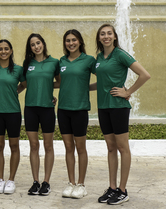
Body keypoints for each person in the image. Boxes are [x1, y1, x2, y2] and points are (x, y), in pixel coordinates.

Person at [94, 24, 151, 205]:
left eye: (109, 33)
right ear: (99, 38)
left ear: (115, 37)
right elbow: (101, 82)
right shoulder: (99, 57)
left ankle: (123, 190)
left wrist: (128, 92)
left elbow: (144, 74)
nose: (106, 37)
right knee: (110, 148)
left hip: (118, 107)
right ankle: (112, 188)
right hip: (103, 107)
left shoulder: (120, 54)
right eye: (102, 34)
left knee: (122, 147)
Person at [57, 29, 96, 199]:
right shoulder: (62, 61)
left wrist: (87, 88)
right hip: (63, 110)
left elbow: (104, 76)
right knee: (68, 148)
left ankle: (81, 184)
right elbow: (59, 82)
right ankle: (71, 183)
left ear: (80, 42)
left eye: (74, 40)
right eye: (67, 40)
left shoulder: (89, 60)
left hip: (80, 109)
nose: (71, 43)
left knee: (80, 148)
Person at [21, 33, 60, 196]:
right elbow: (23, 84)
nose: (36, 46)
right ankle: (36, 181)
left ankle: (46, 182)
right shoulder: (27, 63)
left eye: (38, 43)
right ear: (30, 48)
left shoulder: (54, 62)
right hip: (30, 108)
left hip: (46, 108)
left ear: (43, 44)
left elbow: (60, 81)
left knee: (48, 146)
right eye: (32, 44)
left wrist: (47, 88)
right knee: (34, 145)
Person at [0, 39, 25, 195]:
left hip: (13, 112)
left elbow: (25, 84)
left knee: (14, 147)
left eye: (6, 49)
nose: (3, 51)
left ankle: (11, 180)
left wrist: (15, 92)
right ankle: (0, 179)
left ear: (11, 50)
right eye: (0, 49)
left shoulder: (18, 69)